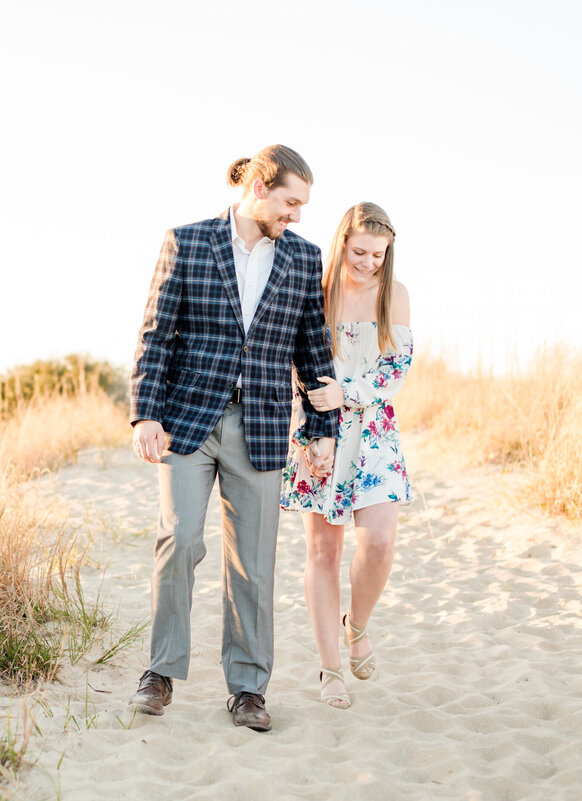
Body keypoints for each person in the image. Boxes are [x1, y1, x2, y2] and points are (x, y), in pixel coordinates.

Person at [127, 145, 339, 732]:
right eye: (290, 202)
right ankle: (160, 671)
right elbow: (155, 333)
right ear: (258, 187)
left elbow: (312, 349)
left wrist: (322, 428)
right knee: (181, 540)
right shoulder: (187, 241)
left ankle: (248, 688)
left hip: (264, 428)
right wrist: (145, 414)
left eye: (302, 206)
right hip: (187, 422)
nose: (296, 215)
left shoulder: (302, 257)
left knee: (252, 563)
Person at [280, 202, 413, 709]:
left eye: (378, 254)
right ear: (342, 243)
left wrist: (350, 392)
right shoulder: (316, 290)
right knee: (324, 552)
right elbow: (293, 357)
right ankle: (330, 667)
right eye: (360, 251)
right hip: (317, 429)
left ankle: (356, 626)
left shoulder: (393, 294)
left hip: (373, 430)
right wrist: (317, 424)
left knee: (378, 541)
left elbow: (396, 369)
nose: (368, 263)